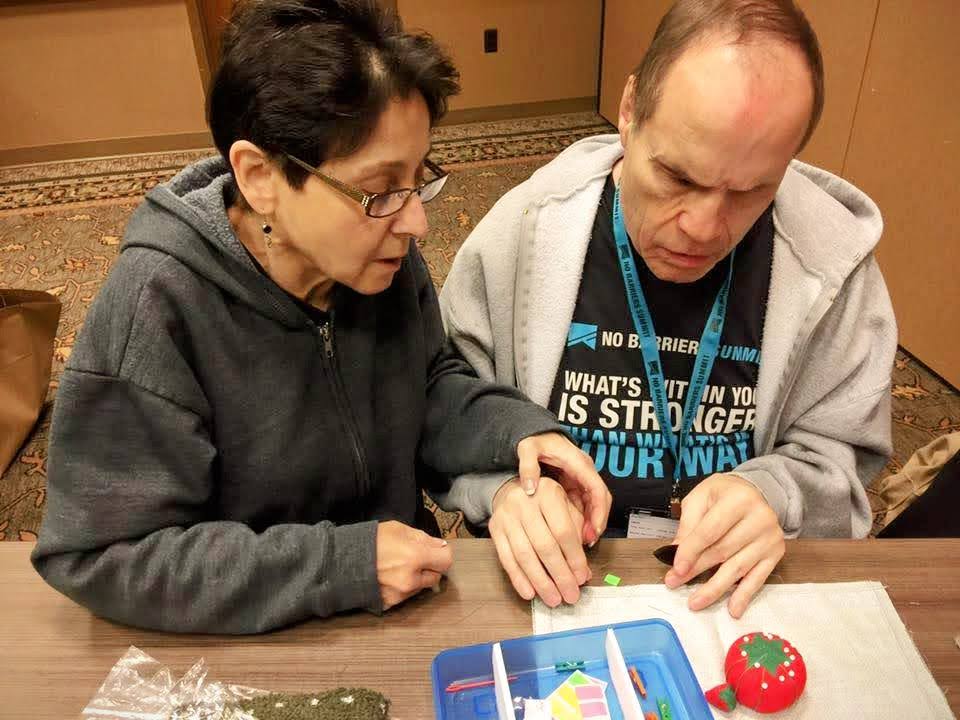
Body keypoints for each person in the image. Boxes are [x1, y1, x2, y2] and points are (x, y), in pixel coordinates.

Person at [31, 0, 610, 634]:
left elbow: (427, 383)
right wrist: (340, 565)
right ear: (259, 177)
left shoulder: (381, 257)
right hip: (245, 641)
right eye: (381, 189)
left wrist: (520, 433)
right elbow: (101, 556)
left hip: (396, 602)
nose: (415, 221)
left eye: (419, 179)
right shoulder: (157, 304)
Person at [439, 0, 896, 618]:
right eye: (679, 178)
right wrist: (502, 493)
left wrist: (777, 496)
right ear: (629, 111)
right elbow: (445, 411)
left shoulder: (832, 267)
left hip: (730, 587)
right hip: (547, 581)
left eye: (751, 190)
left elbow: (842, 460)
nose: (704, 229)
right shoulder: (518, 234)